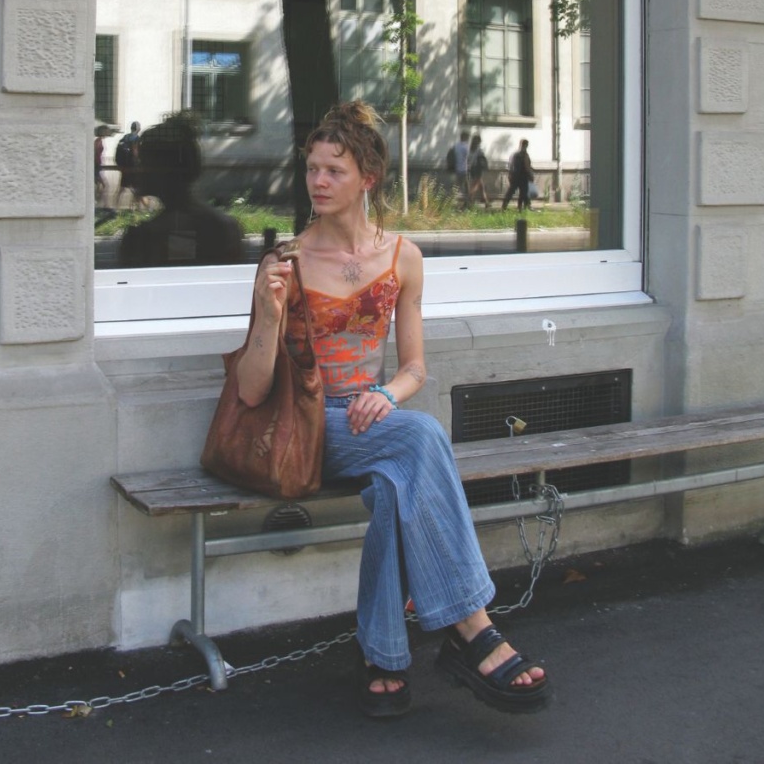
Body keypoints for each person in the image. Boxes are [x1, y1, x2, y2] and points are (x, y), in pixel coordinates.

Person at [235, 102, 549, 719]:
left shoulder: (403, 257)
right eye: (312, 169)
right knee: (423, 436)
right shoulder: (286, 262)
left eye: (335, 171)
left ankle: (383, 655)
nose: (318, 182)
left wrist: (385, 395)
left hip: (374, 421)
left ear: (368, 179)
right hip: (309, 426)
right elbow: (250, 392)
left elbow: (414, 370)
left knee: (391, 490)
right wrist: (269, 316)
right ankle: (475, 630)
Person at [118, 113, 243, 267]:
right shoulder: (224, 226)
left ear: (164, 168)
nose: (137, 169)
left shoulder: (150, 235)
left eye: (143, 161)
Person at [501, 139, 535, 212]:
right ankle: (522, 207)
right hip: (523, 176)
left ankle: (504, 206)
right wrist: (530, 174)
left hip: (515, 175)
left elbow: (510, 164)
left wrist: (510, 174)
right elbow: (527, 166)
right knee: (523, 192)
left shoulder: (515, 154)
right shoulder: (524, 154)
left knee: (511, 192)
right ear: (526, 145)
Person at [467, 132, 489, 208]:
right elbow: (482, 159)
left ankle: (486, 201)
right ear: (479, 141)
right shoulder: (479, 150)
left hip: (472, 168)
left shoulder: (470, 149)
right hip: (478, 169)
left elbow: (468, 159)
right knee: (475, 185)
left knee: (481, 186)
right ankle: (468, 200)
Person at [451, 129, 471, 207]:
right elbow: (468, 158)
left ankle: (451, 200)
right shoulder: (466, 147)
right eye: (467, 137)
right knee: (466, 187)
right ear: (465, 137)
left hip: (457, 168)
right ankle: (468, 202)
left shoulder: (456, 146)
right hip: (464, 169)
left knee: (456, 185)